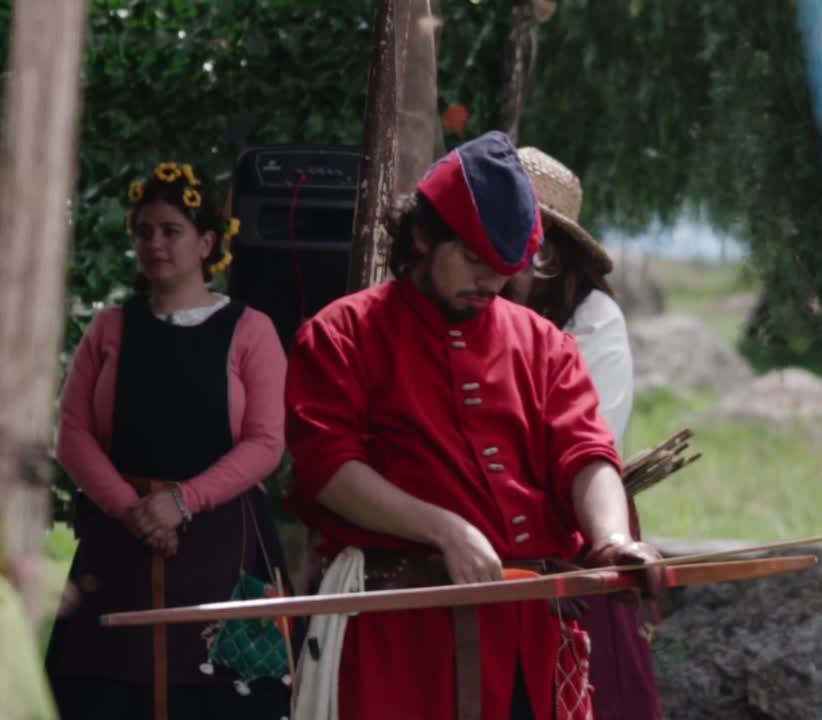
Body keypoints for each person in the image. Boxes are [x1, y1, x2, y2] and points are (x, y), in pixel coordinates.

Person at [284, 130, 666, 720]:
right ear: (422, 234)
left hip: (528, 638)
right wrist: (445, 530)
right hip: (399, 633)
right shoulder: (342, 334)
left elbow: (586, 453)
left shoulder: (544, 344)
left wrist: (611, 539)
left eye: (503, 267)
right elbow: (328, 468)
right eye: (472, 258)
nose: (490, 281)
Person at [45, 162, 295, 719]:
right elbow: (74, 433)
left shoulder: (251, 330)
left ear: (207, 242)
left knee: (221, 697)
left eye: (171, 230)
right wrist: (133, 509)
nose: (155, 243)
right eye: (144, 231)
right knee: (104, 692)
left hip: (224, 548)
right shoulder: (109, 329)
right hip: (120, 549)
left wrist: (182, 501)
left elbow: (264, 442)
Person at [503, 147, 662, 720]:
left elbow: (588, 438)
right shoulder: (474, 303)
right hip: (484, 541)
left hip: (575, 527)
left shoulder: (593, 318)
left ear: (551, 248)